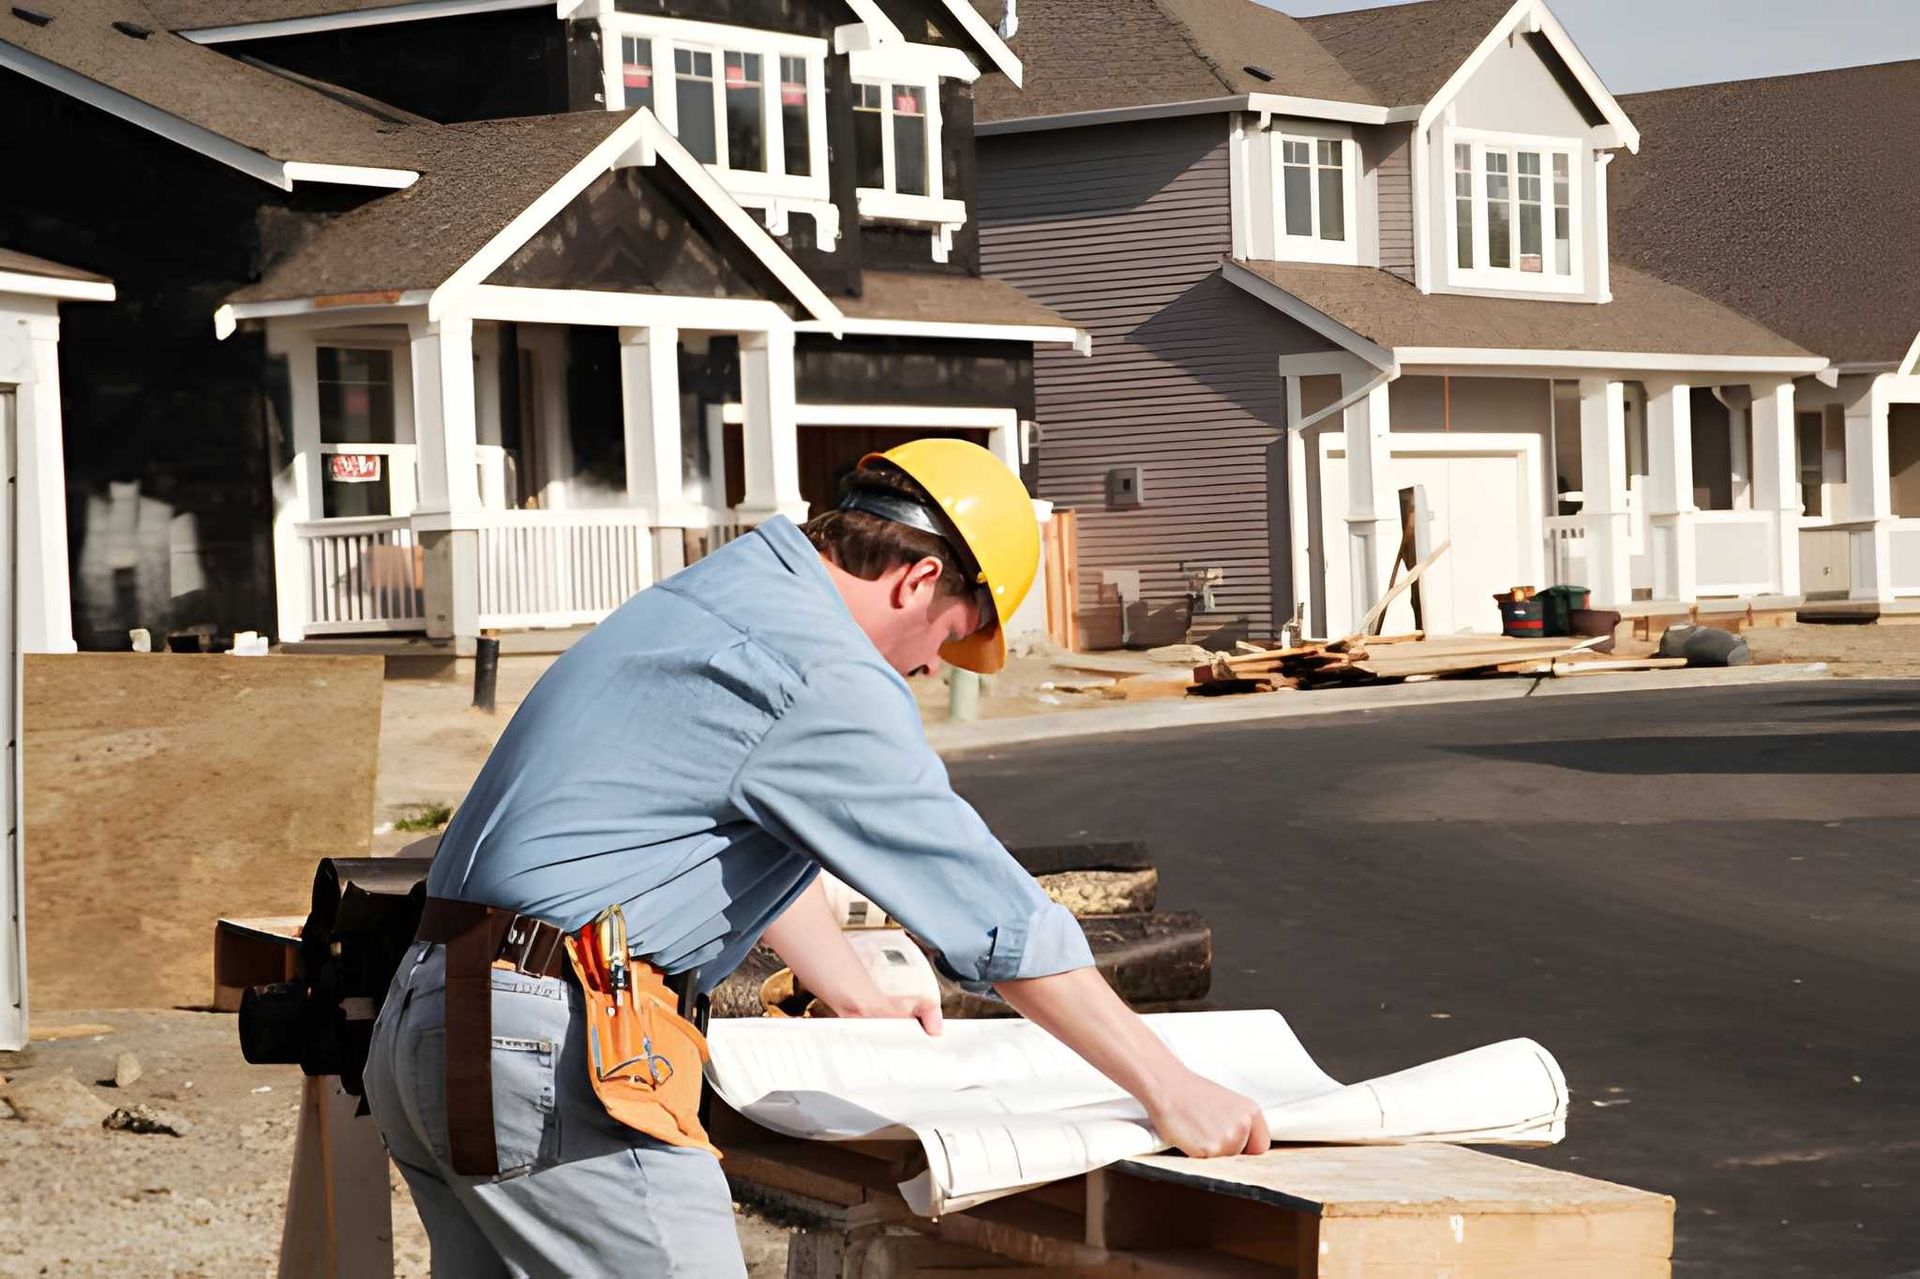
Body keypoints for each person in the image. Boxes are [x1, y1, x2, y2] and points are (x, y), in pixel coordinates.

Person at [363, 440, 1270, 1276]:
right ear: (918, 579)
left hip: (443, 1016)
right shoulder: (823, 669)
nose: (930, 670)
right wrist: (1171, 1086)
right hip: (549, 1048)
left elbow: (723, 830)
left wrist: (849, 985)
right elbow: (995, 912)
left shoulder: (724, 593)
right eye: (951, 638)